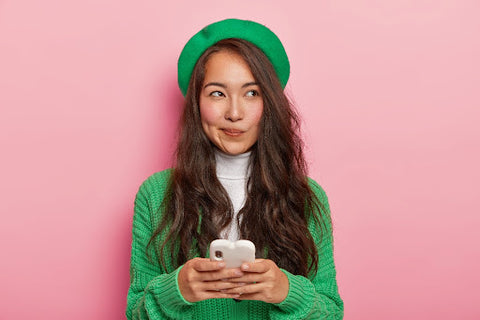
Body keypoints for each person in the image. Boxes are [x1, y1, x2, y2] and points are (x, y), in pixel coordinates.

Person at [126, 18, 344, 319]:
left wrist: (286, 291)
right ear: (196, 103)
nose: (234, 113)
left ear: (270, 104)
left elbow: (331, 312)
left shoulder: (306, 196)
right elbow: (135, 313)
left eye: (251, 93)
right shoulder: (156, 195)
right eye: (217, 93)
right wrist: (177, 290)